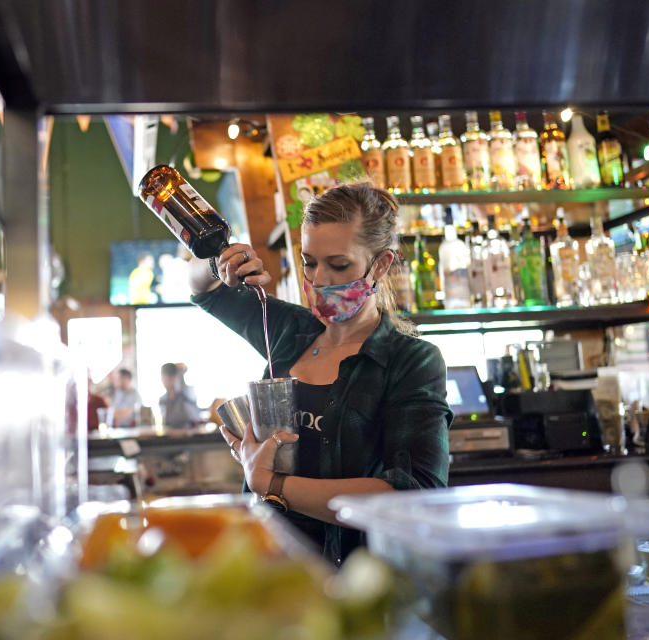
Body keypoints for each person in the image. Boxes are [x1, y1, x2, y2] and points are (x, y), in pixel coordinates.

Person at [189, 183, 452, 565]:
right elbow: (202, 288)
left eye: (339, 264)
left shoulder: (411, 361)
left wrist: (270, 483)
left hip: (352, 577)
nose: (320, 279)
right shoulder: (287, 329)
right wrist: (220, 262)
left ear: (380, 264)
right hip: (269, 569)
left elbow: (415, 494)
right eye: (309, 262)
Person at [158, 362, 201, 428]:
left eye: (163, 377)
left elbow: (194, 419)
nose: (162, 380)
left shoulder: (187, 393)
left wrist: (178, 371)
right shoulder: (163, 399)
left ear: (173, 378)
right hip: (170, 435)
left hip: (191, 435)